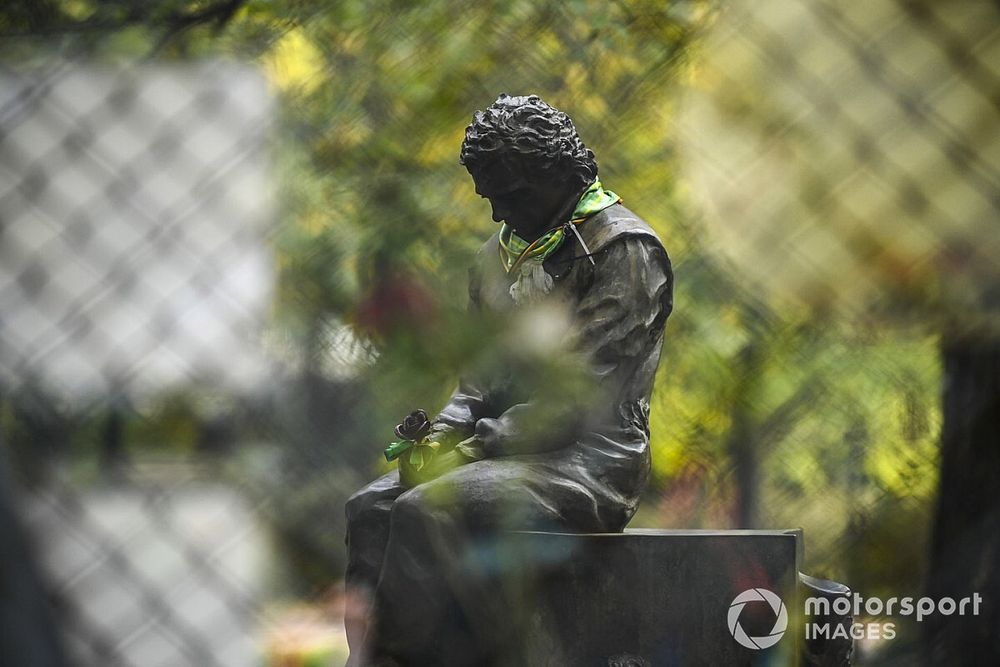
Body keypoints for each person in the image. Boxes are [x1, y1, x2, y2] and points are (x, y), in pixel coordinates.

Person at [344, 93, 673, 666]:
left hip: (588, 459)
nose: (499, 215)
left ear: (559, 174)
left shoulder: (624, 251)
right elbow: (480, 381)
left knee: (426, 509)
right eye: (490, 198)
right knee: (370, 506)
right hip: (498, 449)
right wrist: (443, 432)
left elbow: (578, 397)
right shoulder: (495, 259)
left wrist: (471, 448)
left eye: (512, 196)